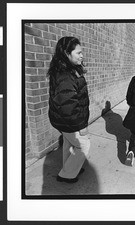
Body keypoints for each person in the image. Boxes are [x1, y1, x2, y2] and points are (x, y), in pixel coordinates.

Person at [48, 36, 90, 183]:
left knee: (69, 143)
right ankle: (67, 174)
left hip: (62, 119)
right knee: (83, 145)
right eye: (78, 53)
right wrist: (82, 126)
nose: (82, 55)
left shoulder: (69, 70)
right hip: (67, 120)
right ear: (67, 53)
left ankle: (71, 167)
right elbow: (68, 107)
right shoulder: (65, 75)